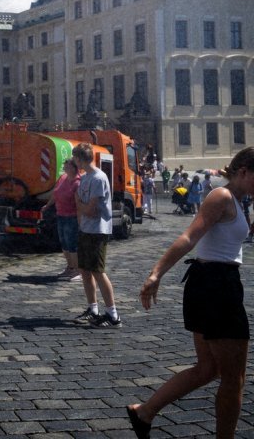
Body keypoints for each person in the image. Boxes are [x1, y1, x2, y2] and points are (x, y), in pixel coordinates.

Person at [128, 147, 254, 439]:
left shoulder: (234, 199)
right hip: (217, 285)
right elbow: (189, 236)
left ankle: (144, 413)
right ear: (244, 171)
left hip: (211, 283)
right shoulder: (221, 197)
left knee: (208, 368)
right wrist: (156, 273)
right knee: (234, 379)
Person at [72, 143, 121, 328]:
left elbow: (91, 210)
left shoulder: (98, 178)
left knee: (98, 271)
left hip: (97, 229)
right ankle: (93, 309)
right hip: (86, 229)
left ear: (79, 159)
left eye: (75, 158)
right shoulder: (85, 177)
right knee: (85, 270)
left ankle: (113, 314)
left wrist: (78, 205)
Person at [40, 158, 82, 281]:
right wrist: (47, 205)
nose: (65, 168)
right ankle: (70, 267)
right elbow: (55, 193)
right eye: (65, 166)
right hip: (61, 215)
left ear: (74, 168)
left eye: (67, 166)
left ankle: (77, 270)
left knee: (72, 243)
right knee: (64, 242)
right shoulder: (63, 178)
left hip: (72, 216)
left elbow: (79, 203)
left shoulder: (77, 182)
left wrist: (80, 220)